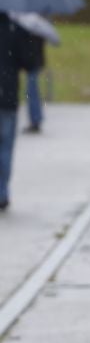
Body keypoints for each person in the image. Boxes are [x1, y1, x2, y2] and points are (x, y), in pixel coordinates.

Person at [0, 13, 20, 210]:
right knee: (5, 147)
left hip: (7, 97)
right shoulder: (14, 29)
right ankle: (2, 191)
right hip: (7, 97)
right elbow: (28, 62)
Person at [19, 25, 44, 133]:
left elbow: (33, 49)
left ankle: (35, 120)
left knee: (31, 91)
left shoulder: (35, 28)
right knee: (31, 91)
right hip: (33, 63)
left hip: (33, 64)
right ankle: (35, 119)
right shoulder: (36, 27)